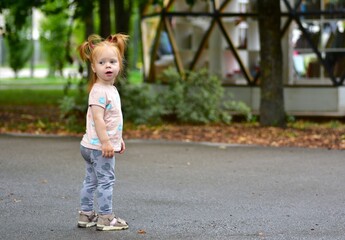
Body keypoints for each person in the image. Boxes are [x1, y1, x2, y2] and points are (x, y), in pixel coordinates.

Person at [76, 33, 129, 231]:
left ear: (119, 65)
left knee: (91, 180)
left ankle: (86, 214)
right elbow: (98, 119)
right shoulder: (99, 90)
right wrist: (107, 142)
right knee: (106, 181)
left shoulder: (110, 89)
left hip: (92, 145)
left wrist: (118, 139)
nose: (108, 66)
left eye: (112, 61)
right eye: (102, 62)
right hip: (99, 147)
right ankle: (106, 217)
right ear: (93, 67)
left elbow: (111, 120)